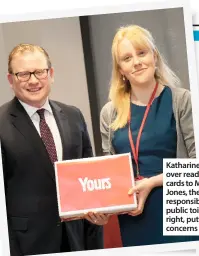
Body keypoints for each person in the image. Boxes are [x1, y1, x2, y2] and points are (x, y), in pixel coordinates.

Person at [98, 25, 198, 246]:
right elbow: (109, 173)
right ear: (121, 69)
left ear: (154, 56)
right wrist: (101, 207)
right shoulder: (109, 112)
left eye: (142, 53)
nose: (136, 62)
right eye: (127, 58)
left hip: (180, 207)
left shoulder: (182, 101)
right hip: (134, 213)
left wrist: (151, 183)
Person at [0, 43, 103, 256]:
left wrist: (100, 210)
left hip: (78, 239)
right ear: (11, 80)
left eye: (39, 72)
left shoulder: (74, 115)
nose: (34, 80)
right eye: (24, 74)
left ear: (51, 74)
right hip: (25, 244)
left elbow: (89, 176)